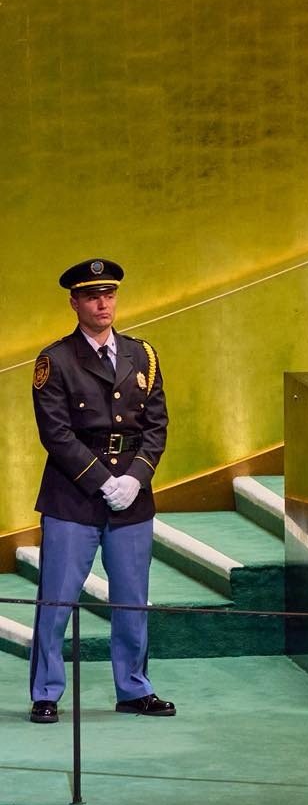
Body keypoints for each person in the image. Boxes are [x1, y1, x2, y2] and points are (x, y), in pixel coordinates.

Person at [27, 260, 175, 724]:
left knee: (132, 597)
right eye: (92, 296)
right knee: (57, 599)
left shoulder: (142, 355)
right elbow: (55, 434)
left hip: (132, 495)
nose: (103, 303)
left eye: (109, 294)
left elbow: (156, 426)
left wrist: (134, 478)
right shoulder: (56, 360)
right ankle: (46, 692)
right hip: (74, 497)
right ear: (74, 303)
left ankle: (133, 688)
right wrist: (103, 480)